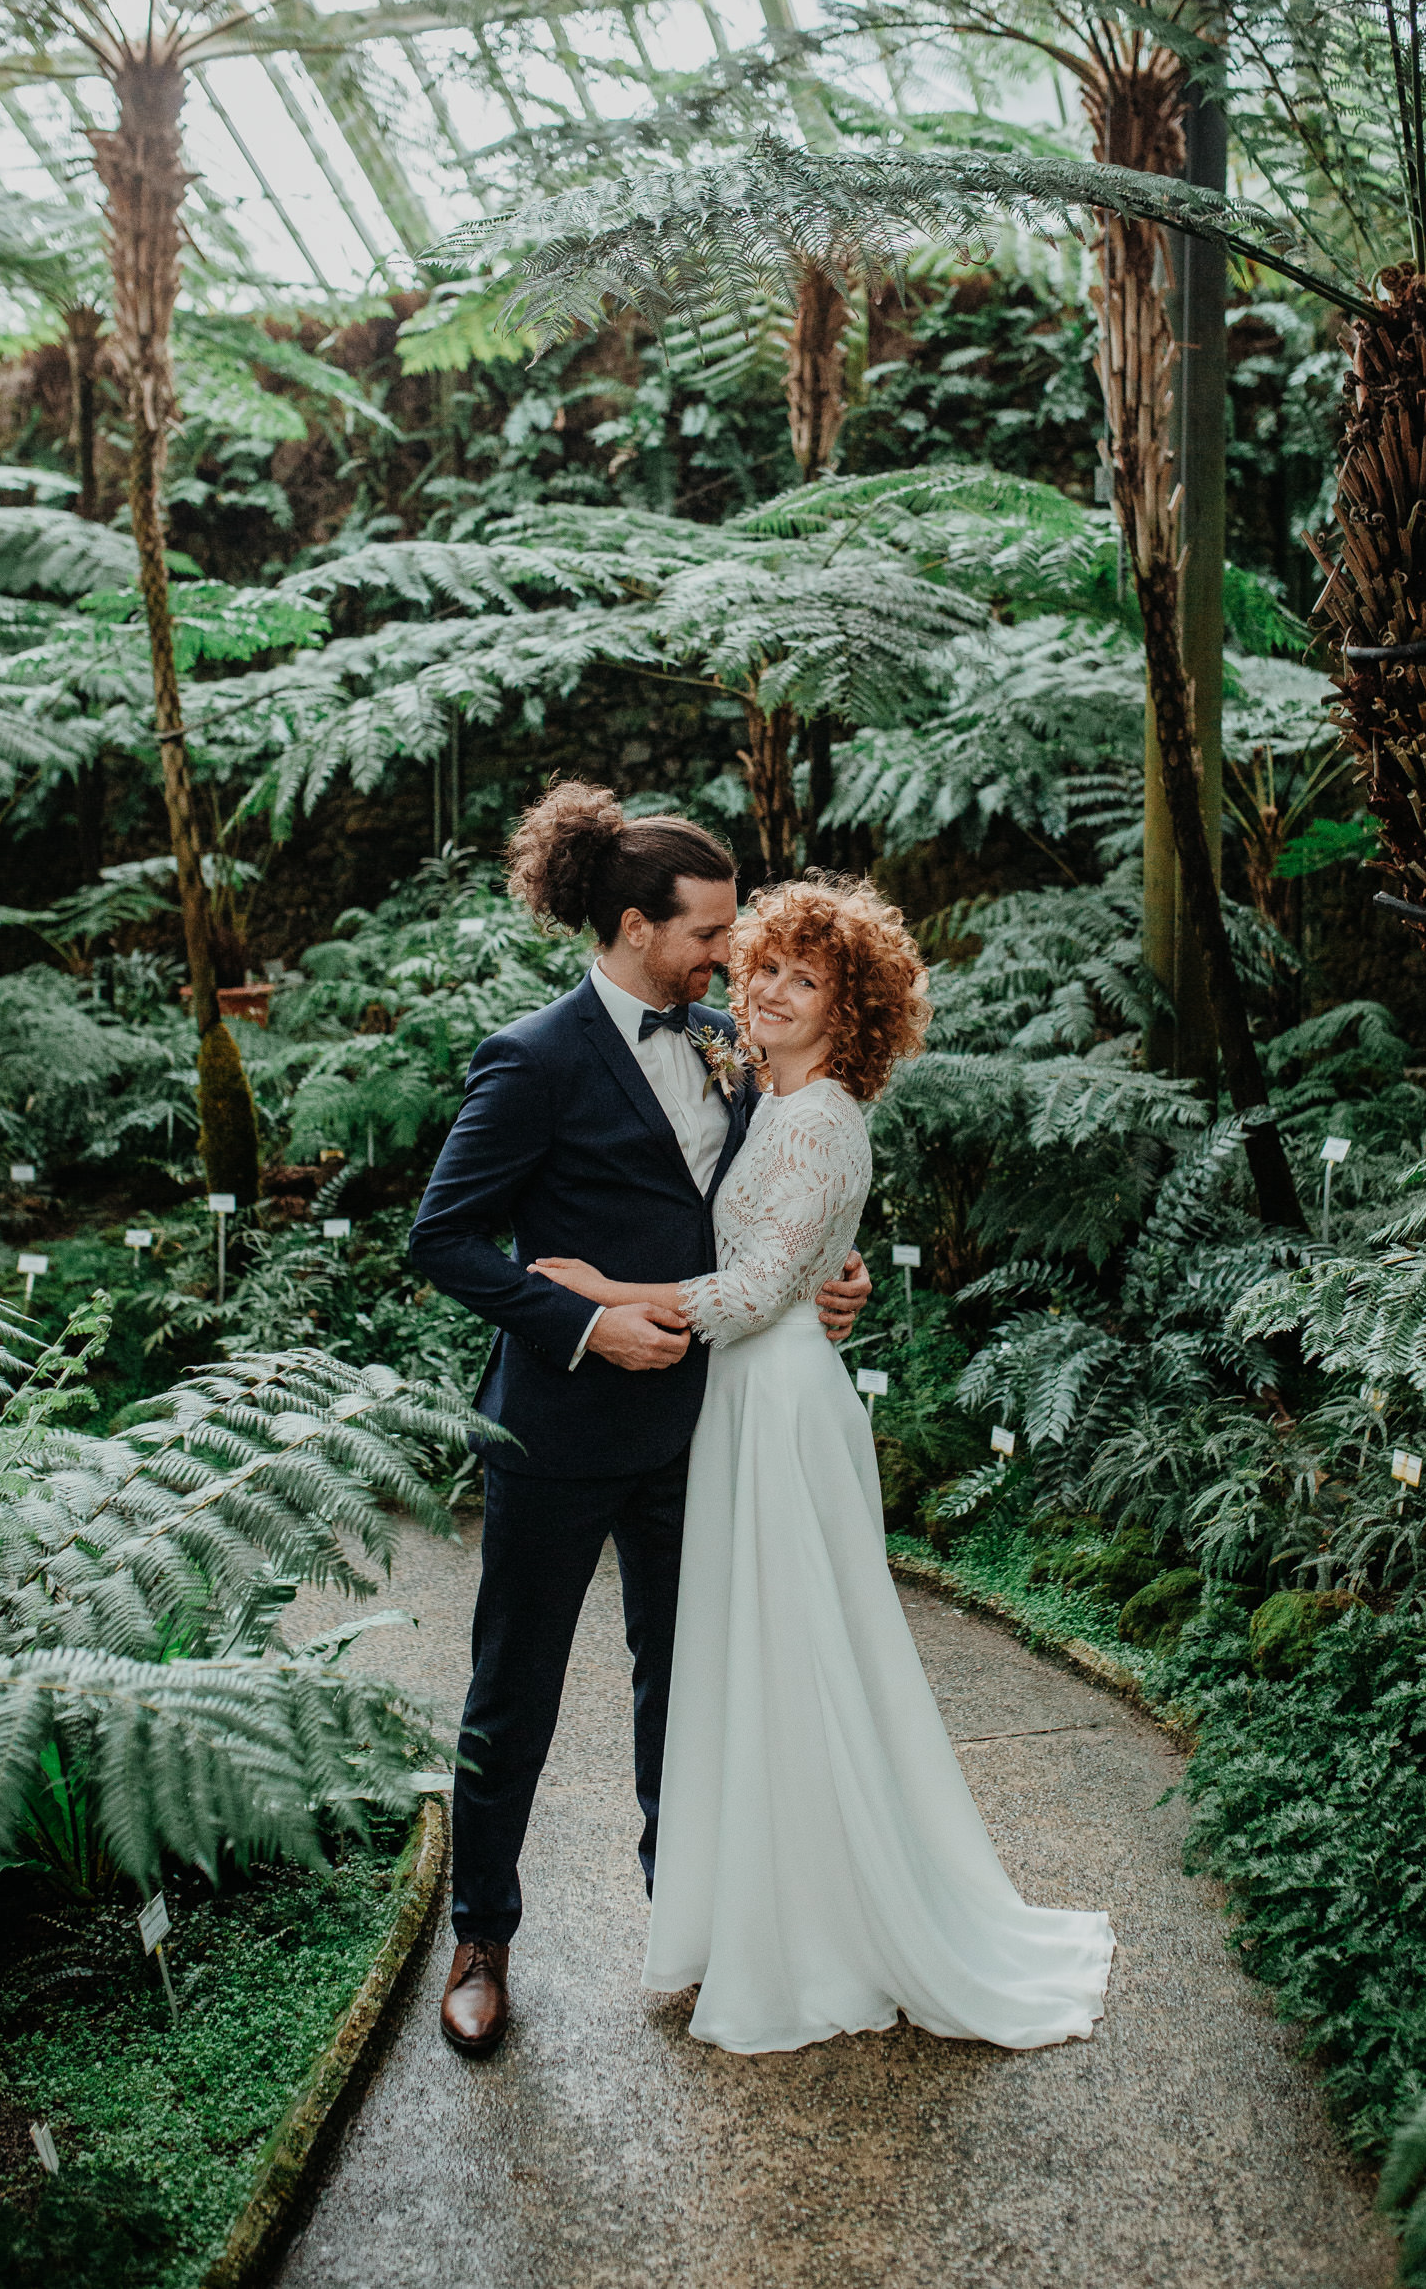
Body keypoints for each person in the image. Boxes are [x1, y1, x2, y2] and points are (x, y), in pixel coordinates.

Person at [531, 876, 1117, 2055]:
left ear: (853, 1014)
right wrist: (823, 1274)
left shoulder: (819, 1116)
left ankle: (830, 1929)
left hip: (779, 1401)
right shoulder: (761, 1089)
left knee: (800, 1655)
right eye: (764, 967)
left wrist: (602, 1293)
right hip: (749, 1401)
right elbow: (772, 1248)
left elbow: (748, 1294)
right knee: (761, 1658)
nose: (773, 990)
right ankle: (774, 1904)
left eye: (808, 980)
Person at [406, 783, 870, 2058]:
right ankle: (481, 1935)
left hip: (697, 1432)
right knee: (516, 1685)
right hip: (554, 1432)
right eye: (708, 933)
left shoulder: (733, 1041)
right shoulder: (533, 1057)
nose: (730, 957)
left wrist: (831, 1273)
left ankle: (688, 1918)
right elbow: (440, 1238)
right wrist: (582, 1322)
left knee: (687, 1685)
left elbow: (780, 1201)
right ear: (629, 925)